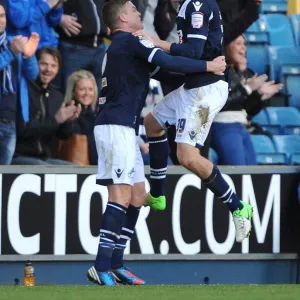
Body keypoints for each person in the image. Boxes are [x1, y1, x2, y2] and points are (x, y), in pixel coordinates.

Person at [87, 0, 227, 286]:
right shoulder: (128, 42)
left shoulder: (125, 48)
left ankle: (117, 264)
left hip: (125, 127)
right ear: (123, 18)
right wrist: (209, 65)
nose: (140, 13)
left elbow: (164, 70)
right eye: (135, 10)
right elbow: (168, 62)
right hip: (115, 127)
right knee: (120, 197)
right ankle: (100, 266)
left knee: (137, 196)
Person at [134, 0, 253, 243]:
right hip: (194, 85)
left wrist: (157, 44)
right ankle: (157, 194)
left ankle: (239, 207)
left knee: (187, 157)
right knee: (152, 124)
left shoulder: (197, 4)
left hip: (205, 89)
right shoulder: (189, 5)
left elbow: (193, 52)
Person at [211, 35, 282, 165]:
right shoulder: (218, 70)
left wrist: (259, 96)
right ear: (226, 47)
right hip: (223, 126)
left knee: (251, 173)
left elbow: (246, 110)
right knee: (239, 172)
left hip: (241, 126)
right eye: (238, 43)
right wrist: (247, 88)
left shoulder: (245, 72)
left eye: (244, 44)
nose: (243, 47)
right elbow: (220, 104)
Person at [12, 46, 81, 165]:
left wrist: (68, 121)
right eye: (44, 64)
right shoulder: (23, 90)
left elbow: (63, 136)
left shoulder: (57, 95)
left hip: (44, 157)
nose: (48, 69)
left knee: (75, 169)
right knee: (44, 167)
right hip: (18, 156)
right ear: (35, 64)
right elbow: (23, 130)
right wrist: (56, 120)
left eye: (53, 66)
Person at [0, 1, 39, 165]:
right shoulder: (12, 47)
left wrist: (29, 56)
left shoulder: (12, 42)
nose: (0, 20)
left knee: (3, 179)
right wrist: (11, 53)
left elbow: (33, 74)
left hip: (10, 120)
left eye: (2, 16)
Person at [59, 70, 98, 165]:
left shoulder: (94, 116)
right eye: (82, 89)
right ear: (73, 92)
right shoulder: (69, 114)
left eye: (90, 89)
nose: (87, 93)